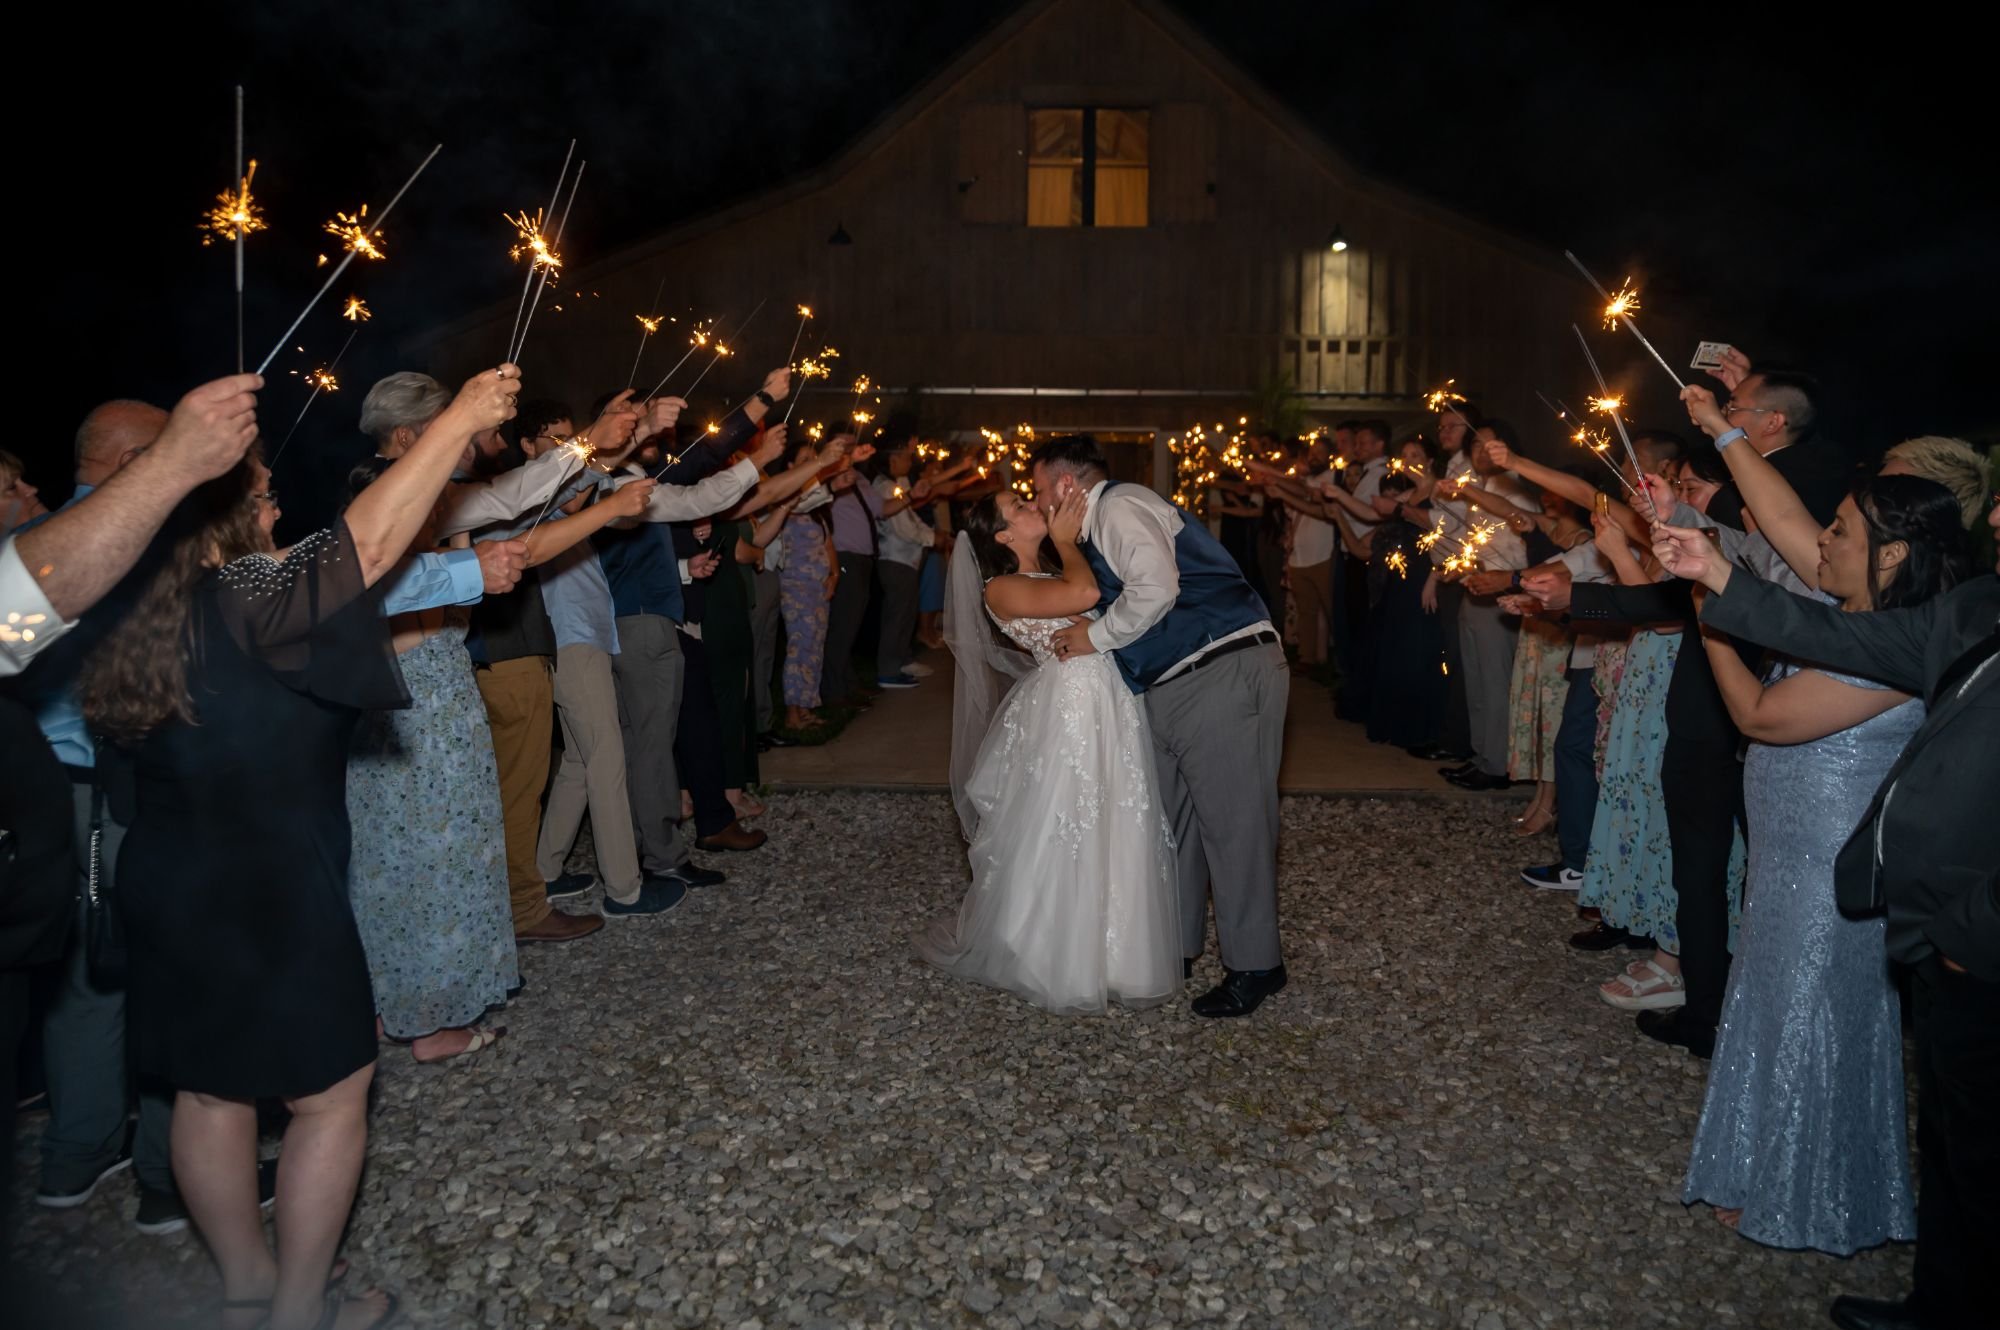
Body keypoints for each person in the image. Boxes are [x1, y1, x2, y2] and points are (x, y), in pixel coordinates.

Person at [76, 365, 519, 1330]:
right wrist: (460, 420)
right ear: (226, 517)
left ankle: (243, 1290)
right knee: (329, 1095)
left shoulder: (135, 606)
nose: (279, 510)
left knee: (210, 1093)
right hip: (271, 884)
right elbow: (368, 543)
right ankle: (299, 1307)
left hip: (168, 879)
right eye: (267, 497)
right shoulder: (251, 591)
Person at [1657, 488, 1998, 1330]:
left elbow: (1765, 715)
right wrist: (1713, 570)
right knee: (1949, 1130)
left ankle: (1820, 1193)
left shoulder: (1941, 615)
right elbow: (1822, 619)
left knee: (1842, 1030)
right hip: (1881, 890)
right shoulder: (1969, 611)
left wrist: (1709, 611)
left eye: (1841, 529)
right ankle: (1938, 1299)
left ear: (1892, 552)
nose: (1996, 518)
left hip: (1929, 901)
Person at [1041, 436, 1290, 1017]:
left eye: (1038, 489)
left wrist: (1094, 637)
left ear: (1066, 485)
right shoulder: (1094, 531)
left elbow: (1156, 587)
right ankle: (1173, 947)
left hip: (1220, 665)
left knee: (1234, 825)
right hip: (1176, 680)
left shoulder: (1119, 506)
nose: (1039, 501)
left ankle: (1257, 966)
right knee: (1172, 825)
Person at [922, 487, 1179, 1011]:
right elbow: (1084, 594)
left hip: (1105, 697)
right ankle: (1054, 957)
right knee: (1071, 818)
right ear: (1002, 536)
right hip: (1071, 705)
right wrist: (1065, 540)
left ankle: (1120, 958)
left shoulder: (1050, 572)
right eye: (1018, 508)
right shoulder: (1001, 589)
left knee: (1118, 813)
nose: (1031, 505)